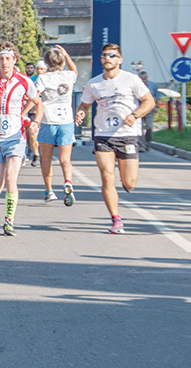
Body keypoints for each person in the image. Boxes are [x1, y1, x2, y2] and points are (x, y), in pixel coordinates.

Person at [75, 44, 155, 234]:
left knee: (129, 183)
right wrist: (80, 113)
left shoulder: (131, 80)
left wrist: (134, 116)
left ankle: (126, 184)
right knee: (107, 177)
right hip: (103, 135)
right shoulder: (93, 84)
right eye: (104, 56)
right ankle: (116, 219)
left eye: (112, 55)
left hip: (127, 136)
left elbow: (149, 102)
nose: (107, 58)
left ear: (119, 60)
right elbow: (84, 105)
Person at [0, 42, 42, 237]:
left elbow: (38, 102)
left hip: (16, 137)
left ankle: (9, 220)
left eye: (8, 58)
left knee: (11, 178)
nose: (5, 62)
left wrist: (33, 119)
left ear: (15, 60)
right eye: (1, 58)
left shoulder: (24, 81)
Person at [35, 45, 78, 205]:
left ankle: (49, 191)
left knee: (46, 158)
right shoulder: (68, 76)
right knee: (65, 159)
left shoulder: (43, 78)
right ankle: (68, 181)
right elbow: (75, 71)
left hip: (48, 120)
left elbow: (35, 96)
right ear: (62, 62)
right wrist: (67, 55)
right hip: (66, 121)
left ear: (46, 63)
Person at [138, 71, 158, 151]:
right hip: (139, 110)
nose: (143, 81)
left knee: (149, 127)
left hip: (149, 110)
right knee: (140, 128)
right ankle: (141, 145)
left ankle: (148, 143)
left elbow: (157, 96)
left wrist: (157, 106)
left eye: (145, 79)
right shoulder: (136, 86)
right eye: (141, 79)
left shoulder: (153, 85)